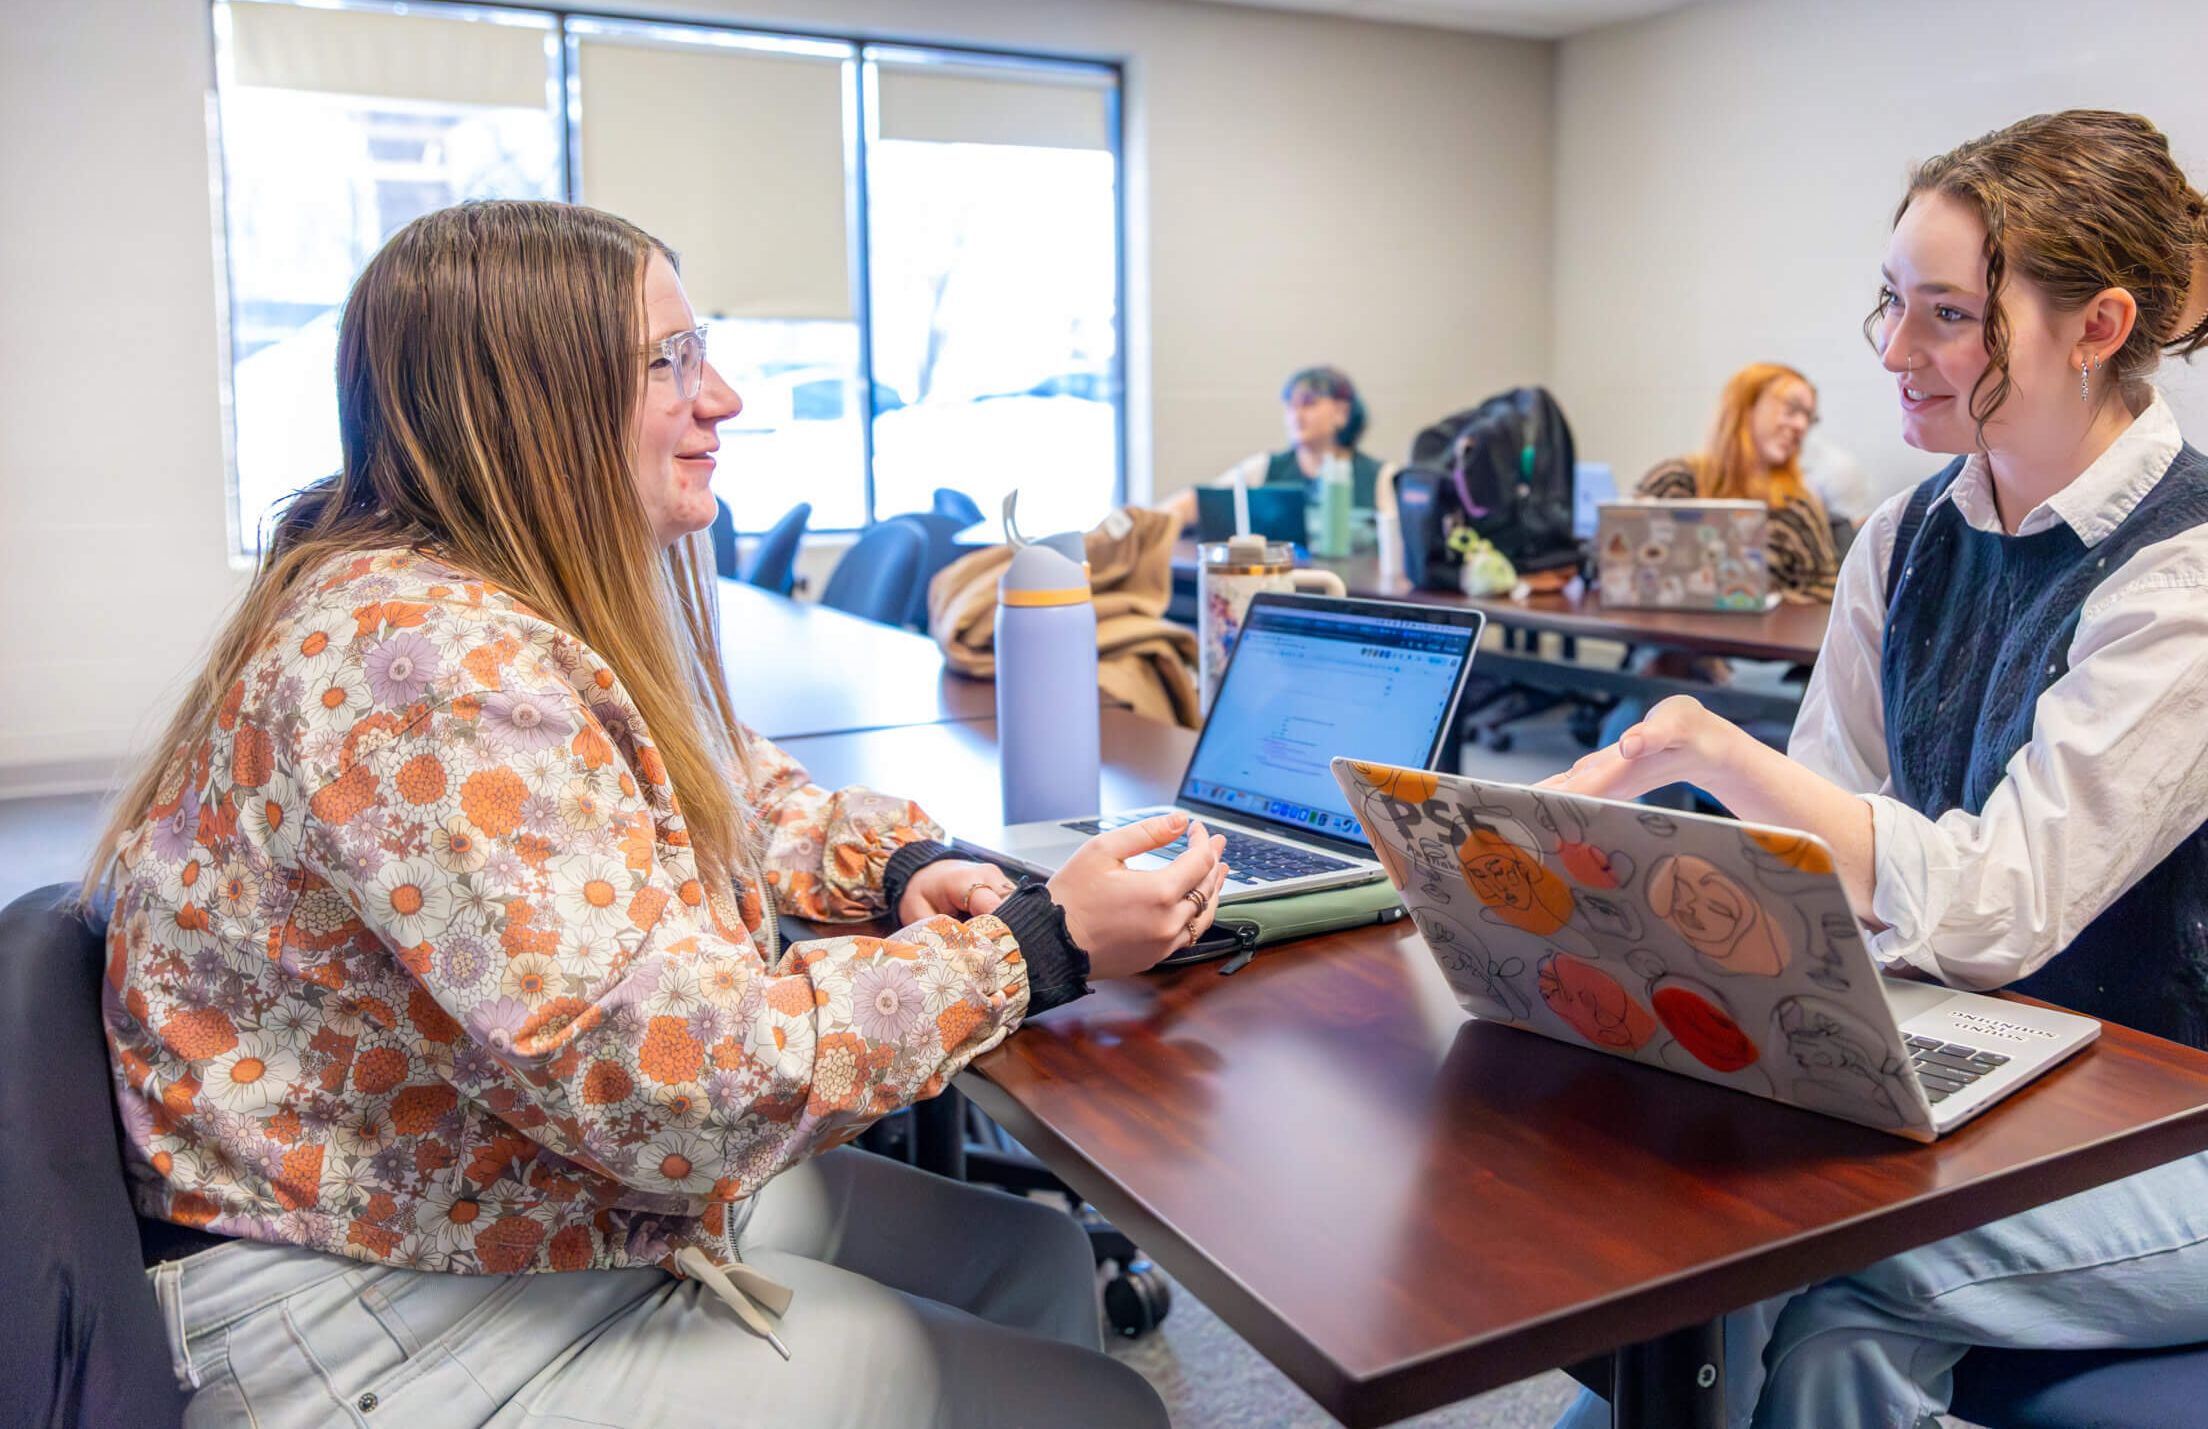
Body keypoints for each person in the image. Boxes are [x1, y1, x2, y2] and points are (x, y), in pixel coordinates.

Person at [91, 201, 1227, 1427]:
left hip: (485, 1187)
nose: (723, 395)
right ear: (525, 400)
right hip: (374, 1303)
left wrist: (896, 866)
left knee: (1037, 1259)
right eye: (666, 361)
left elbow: (732, 793)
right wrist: (1032, 948)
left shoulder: (500, 597)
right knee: (1102, 1411)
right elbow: (675, 1091)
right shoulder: (425, 668)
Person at [1550, 111, 2208, 1428]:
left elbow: (1998, 907)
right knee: (1732, 1280)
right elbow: (1823, 846)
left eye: (1946, 312)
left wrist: (1715, 754)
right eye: (1891, 301)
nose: (1892, 349)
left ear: (2099, 325)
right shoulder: (1909, 533)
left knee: (1793, 1281)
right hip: (1992, 1079)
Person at [1633, 362, 1841, 602]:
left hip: (1760, 638)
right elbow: (1615, 561)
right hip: (1670, 635)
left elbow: (1826, 592)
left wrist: (1770, 602)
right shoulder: (1673, 482)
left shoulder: (1797, 507)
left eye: (1809, 417)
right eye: (1792, 409)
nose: (1801, 426)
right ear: (1746, 407)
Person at [1157, 365, 1381, 533]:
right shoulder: (1264, 468)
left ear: (1342, 413)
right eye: (1291, 406)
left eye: (1309, 404)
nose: (1297, 415)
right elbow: (1194, 504)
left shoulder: (1380, 476)